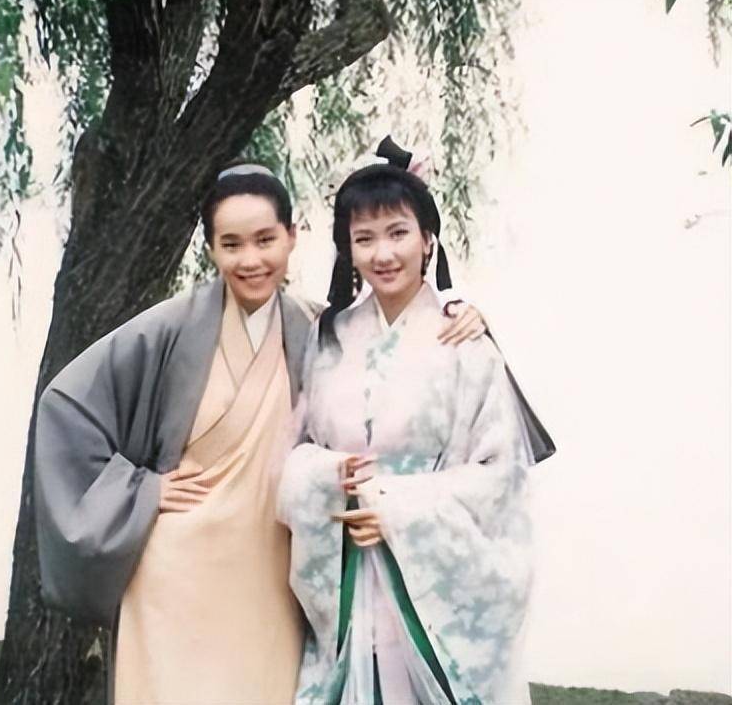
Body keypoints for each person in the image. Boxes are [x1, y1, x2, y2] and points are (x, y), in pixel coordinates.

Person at [33, 162, 490, 705]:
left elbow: (396, 346)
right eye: (231, 244)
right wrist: (141, 489)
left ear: (292, 237)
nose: (250, 260)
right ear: (210, 248)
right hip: (174, 571)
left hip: (272, 572)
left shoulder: (320, 329)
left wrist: (460, 312)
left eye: (265, 240)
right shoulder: (170, 326)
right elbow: (65, 408)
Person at [277, 140, 554, 704]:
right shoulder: (327, 340)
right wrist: (328, 476)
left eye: (398, 232)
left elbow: (501, 477)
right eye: (364, 238)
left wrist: (395, 507)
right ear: (347, 249)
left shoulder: (466, 342)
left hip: (430, 581)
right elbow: (295, 451)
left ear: (428, 239)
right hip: (348, 569)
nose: (383, 253)